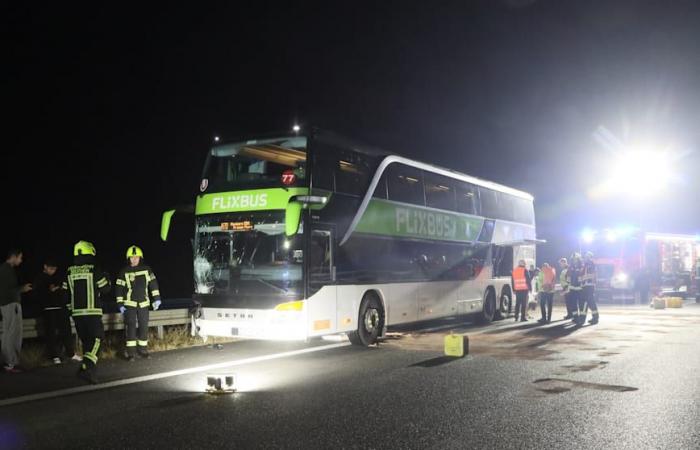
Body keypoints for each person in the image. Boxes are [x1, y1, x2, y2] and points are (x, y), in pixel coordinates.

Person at [63, 241, 110, 384]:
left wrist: (70, 309)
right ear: (90, 251)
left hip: (76, 313)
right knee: (97, 340)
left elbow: (65, 292)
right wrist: (107, 279)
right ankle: (86, 367)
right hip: (92, 312)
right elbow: (104, 288)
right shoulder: (94, 268)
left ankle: (88, 370)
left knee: (87, 343)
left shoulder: (69, 270)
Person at [115, 245, 161, 361]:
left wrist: (157, 298)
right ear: (128, 258)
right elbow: (119, 288)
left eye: (136, 257)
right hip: (129, 304)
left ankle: (143, 350)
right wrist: (120, 304)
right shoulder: (124, 271)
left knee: (144, 327)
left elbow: (153, 284)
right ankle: (131, 353)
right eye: (132, 257)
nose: (134, 259)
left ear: (140, 258)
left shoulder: (147, 269)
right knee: (130, 327)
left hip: (144, 304)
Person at [33, 258, 79, 364]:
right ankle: (54, 356)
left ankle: (70, 353)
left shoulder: (57, 277)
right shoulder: (39, 278)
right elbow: (37, 294)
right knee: (51, 333)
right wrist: (49, 291)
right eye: (51, 268)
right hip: (49, 309)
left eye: (54, 269)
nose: (53, 270)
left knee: (66, 331)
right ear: (45, 267)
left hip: (61, 308)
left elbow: (63, 289)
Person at [0, 249, 32, 373]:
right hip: (11, 304)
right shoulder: (6, 270)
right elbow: (8, 290)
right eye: (20, 258)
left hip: (6, 304)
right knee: (13, 334)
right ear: (13, 256)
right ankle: (10, 362)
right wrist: (22, 289)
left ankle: (10, 362)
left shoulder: (4, 269)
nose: (21, 260)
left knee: (8, 333)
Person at [581, 251, 599, 325]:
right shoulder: (585, 265)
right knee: (585, 302)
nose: (586, 258)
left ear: (590, 257)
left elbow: (593, 274)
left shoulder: (591, 264)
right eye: (586, 256)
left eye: (588, 257)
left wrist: (593, 283)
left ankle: (595, 317)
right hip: (585, 285)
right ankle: (583, 318)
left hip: (590, 285)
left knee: (591, 301)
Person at [568, 253, 584, 326]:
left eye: (576, 259)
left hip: (580, 288)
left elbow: (583, 276)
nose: (574, 260)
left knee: (581, 304)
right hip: (572, 288)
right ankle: (575, 317)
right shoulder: (570, 267)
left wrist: (582, 285)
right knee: (573, 304)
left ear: (578, 259)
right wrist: (568, 285)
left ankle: (581, 318)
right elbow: (568, 276)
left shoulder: (582, 266)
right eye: (573, 259)